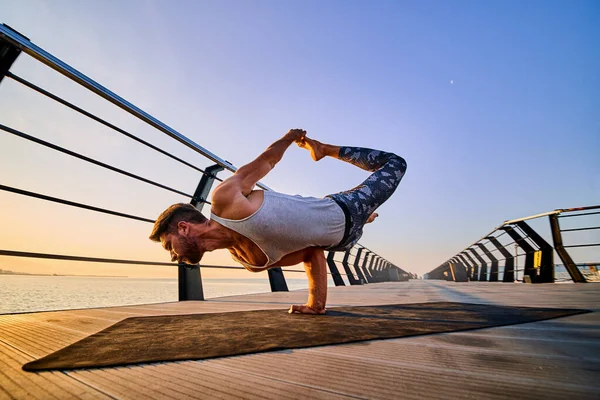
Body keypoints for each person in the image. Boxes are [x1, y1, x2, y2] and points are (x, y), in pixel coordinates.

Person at [149, 129, 407, 314]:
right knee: (348, 226)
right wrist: (316, 305)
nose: (173, 256)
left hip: (347, 208)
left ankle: (325, 150)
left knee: (395, 163)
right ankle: (367, 220)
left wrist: (289, 138)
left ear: (183, 227)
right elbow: (313, 252)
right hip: (344, 241)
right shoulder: (249, 262)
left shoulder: (226, 199)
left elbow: (267, 161)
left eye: (169, 246)